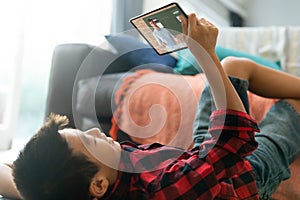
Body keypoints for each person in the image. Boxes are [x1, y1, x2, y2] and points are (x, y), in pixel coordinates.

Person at [0, 13, 300, 200]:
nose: (95, 130)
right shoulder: (164, 190)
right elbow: (235, 141)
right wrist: (204, 52)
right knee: (290, 107)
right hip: (243, 177)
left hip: (201, 160)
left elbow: (12, 180)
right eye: (91, 140)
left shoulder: (72, 187)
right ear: (99, 186)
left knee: (233, 66)